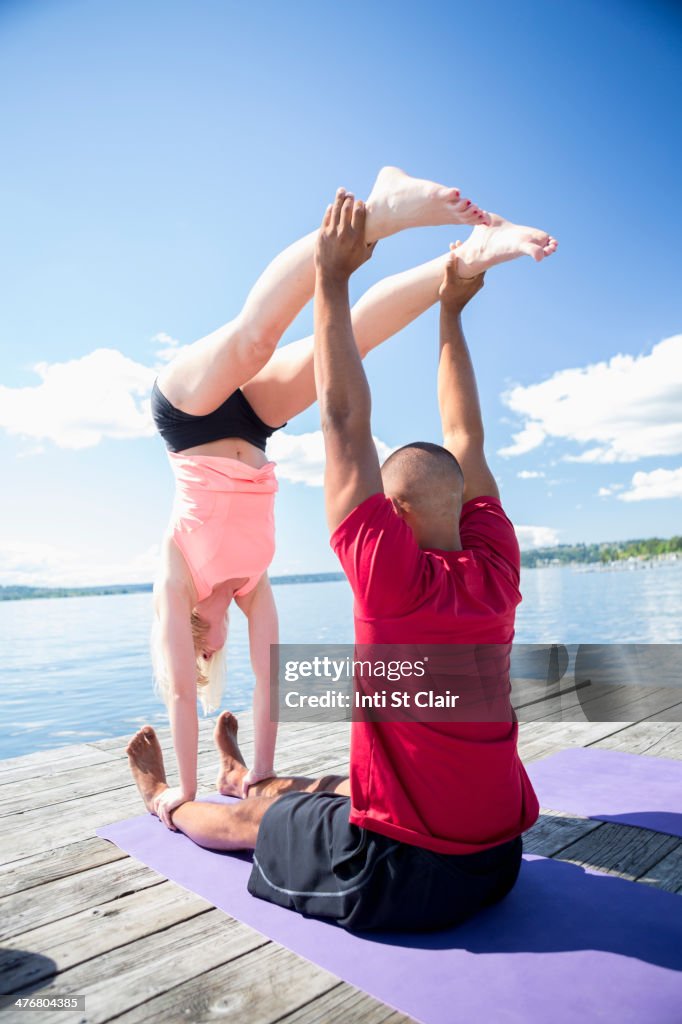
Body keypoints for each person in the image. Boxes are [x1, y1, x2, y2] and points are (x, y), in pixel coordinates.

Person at [129, 187, 556, 932]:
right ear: (461, 507)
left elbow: (353, 419)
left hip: (408, 875)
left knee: (251, 828)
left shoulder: (398, 577)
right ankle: (239, 775)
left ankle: (169, 800)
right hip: (500, 859)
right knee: (320, 790)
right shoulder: (496, 565)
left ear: (391, 519)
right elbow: (467, 440)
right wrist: (451, 308)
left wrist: (335, 277)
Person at [148, 167, 493, 827]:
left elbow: (178, 698)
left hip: (188, 420)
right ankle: (458, 265)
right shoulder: (250, 586)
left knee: (255, 340)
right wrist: (266, 772)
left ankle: (380, 212)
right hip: (250, 427)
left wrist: (181, 792)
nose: (205, 636)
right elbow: (272, 683)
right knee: (348, 342)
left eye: (199, 641)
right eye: (209, 644)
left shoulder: (176, 575)